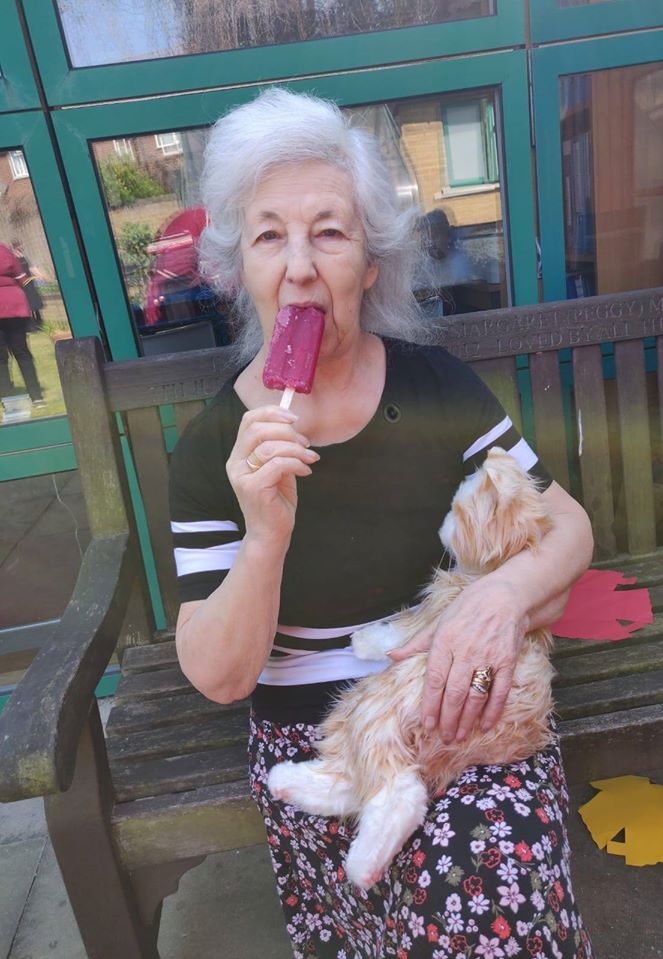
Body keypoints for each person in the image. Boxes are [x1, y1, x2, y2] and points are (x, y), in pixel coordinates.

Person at [169, 88, 595, 959]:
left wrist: (502, 598)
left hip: (464, 702)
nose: (298, 267)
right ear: (239, 271)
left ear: (369, 262)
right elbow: (217, 676)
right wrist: (266, 532)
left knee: (487, 904)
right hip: (321, 741)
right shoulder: (217, 445)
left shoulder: (434, 386)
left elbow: (568, 526)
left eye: (329, 231)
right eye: (268, 235)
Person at [0, 242, 45, 408]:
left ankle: (7, 399)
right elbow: (23, 278)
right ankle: (36, 397)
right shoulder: (4, 250)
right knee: (22, 352)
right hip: (14, 305)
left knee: (0, 358)